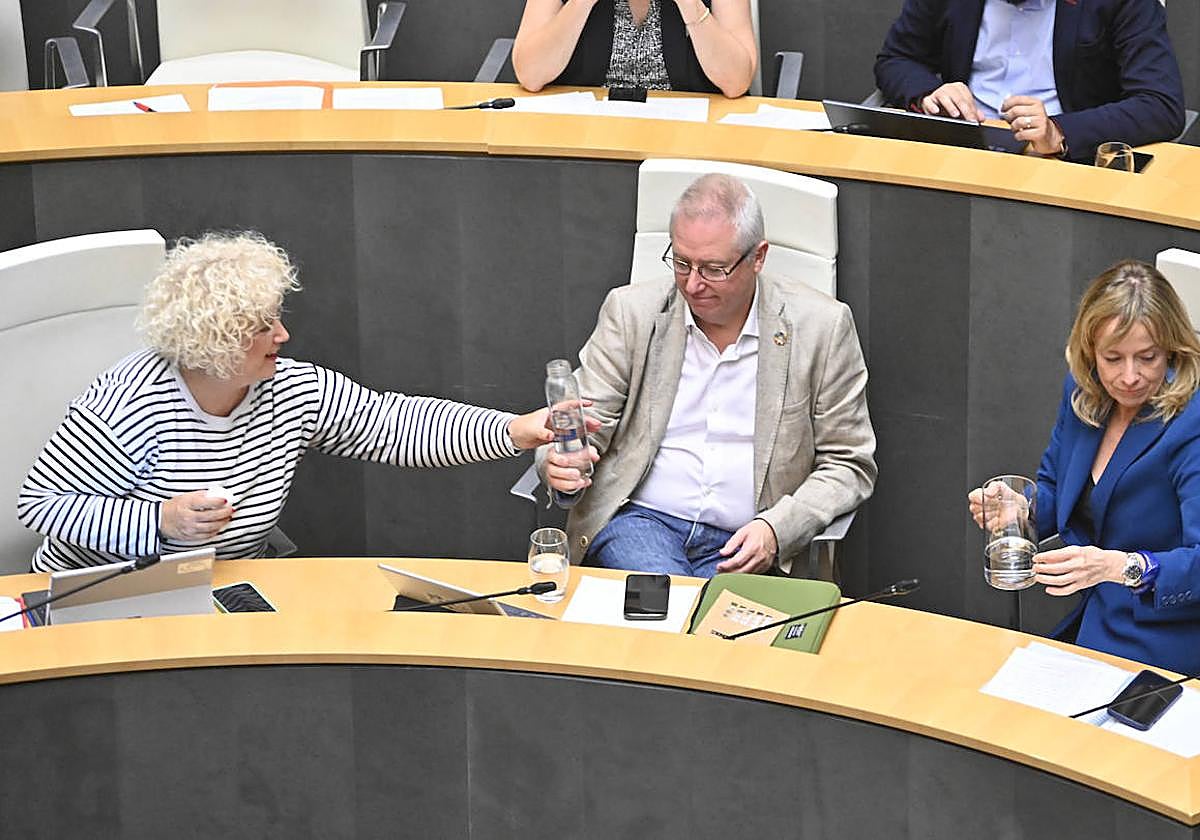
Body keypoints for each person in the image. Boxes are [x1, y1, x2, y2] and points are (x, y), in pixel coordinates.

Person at [17, 232, 562, 572]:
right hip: (108, 596)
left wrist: (517, 430)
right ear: (213, 340)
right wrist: (162, 520)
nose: (282, 335)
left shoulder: (290, 389)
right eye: (261, 326)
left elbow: (398, 424)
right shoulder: (129, 399)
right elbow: (40, 505)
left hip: (226, 588)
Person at [536, 173, 877, 578]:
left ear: (758, 257)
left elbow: (848, 463)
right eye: (681, 263)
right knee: (670, 604)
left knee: (706, 623)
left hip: (747, 536)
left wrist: (776, 529)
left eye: (714, 269)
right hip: (644, 523)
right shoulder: (632, 313)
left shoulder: (821, 327)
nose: (693, 284)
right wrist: (558, 461)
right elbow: (579, 426)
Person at [968, 261, 1200, 675]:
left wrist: (1118, 566)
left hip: (1169, 636)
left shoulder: (1192, 421)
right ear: (1090, 351)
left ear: (1171, 349)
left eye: (1147, 358)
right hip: (1096, 619)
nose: (1129, 377)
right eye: (1113, 358)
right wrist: (1022, 511)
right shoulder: (1084, 391)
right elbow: (1058, 489)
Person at [873, 0, 1185, 162]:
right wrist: (930, 92)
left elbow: (1160, 104)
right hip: (960, 147)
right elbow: (897, 58)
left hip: (1062, 164)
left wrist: (1059, 131)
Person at [512, 0, 757, 98]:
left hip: (689, 143)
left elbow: (736, 81)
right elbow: (531, 74)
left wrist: (689, 5)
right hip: (583, 142)